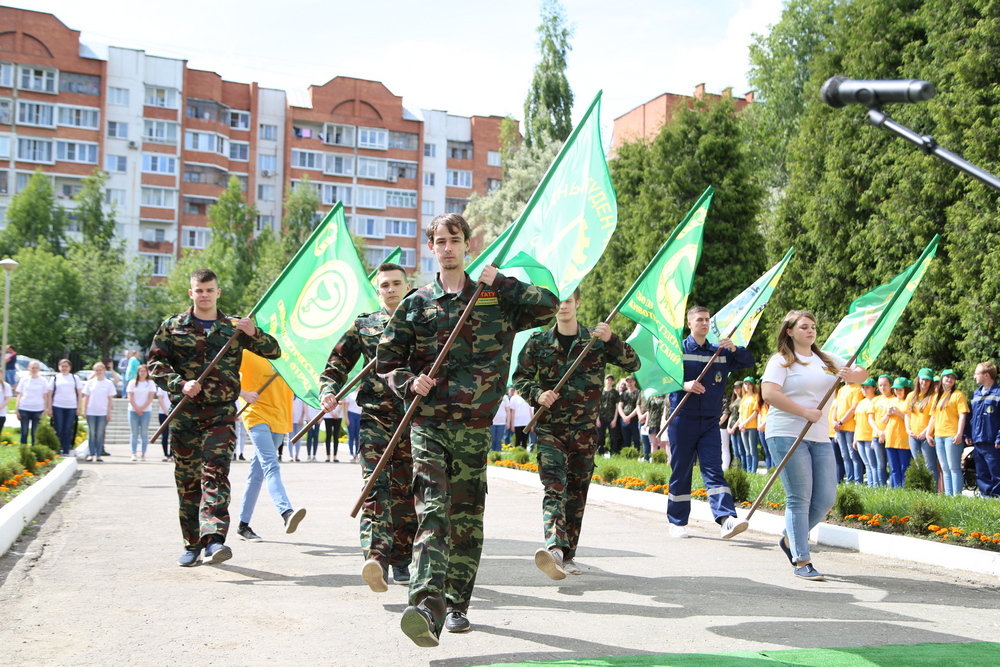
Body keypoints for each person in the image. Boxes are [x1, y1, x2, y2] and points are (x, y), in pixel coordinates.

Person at [377, 212, 557, 646]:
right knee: (433, 512)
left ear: (467, 245)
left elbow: (550, 306)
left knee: (466, 520)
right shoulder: (417, 303)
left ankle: (457, 603)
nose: (448, 247)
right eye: (439, 240)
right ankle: (425, 606)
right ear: (431, 247)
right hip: (429, 423)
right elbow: (387, 363)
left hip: (475, 428)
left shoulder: (494, 297)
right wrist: (409, 381)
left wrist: (504, 282)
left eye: (454, 239)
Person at [147, 268, 280, 568]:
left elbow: (275, 351)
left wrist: (253, 333)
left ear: (218, 293)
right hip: (184, 415)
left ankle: (216, 539)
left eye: (210, 290)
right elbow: (155, 363)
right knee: (188, 481)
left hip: (220, 413)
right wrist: (179, 384)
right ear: (191, 293)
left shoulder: (234, 327)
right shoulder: (172, 326)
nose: (204, 294)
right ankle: (192, 544)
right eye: (199, 290)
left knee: (216, 472)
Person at [513, 287, 639, 580]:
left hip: (584, 432)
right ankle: (555, 548)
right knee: (554, 486)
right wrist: (537, 393)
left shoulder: (595, 341)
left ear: (578, 303)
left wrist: (613, 339)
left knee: (577, 494)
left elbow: (633, 364)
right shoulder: (538, 341)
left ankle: (567, 556)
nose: (564, 306)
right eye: (559, 302)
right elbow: (519, 376)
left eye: (569, 300)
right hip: (550, 428)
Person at [321, 261, 416, 593]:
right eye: (383, 285)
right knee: (374, 488)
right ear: (378, 291)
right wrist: (328, 389)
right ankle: (376, 558)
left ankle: (402, 559)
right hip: (376, 418)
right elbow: (337, 362)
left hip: (415, 419)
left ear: (407, 285)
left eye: (395, 284)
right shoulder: (365, 325)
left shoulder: (423, 320)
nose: (389, 290)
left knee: (406, 494)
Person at [760, 310, 867, 581]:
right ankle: (802, 559)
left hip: (819, 435)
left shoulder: (825, 358)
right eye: (804, 327)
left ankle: (790, 538)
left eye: (813, 327)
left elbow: (862, 375)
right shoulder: (780, 361)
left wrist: (849, 373)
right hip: (786, 433)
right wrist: (804, 412)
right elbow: (769, 394)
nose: (811, 331)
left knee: (825, 499)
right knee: (799, 497)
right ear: (789, 331)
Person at [666, 306, 754, 540]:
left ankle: (726, 518)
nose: (704, 323)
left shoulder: (720, 352)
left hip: (709, 421)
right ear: (689, 324)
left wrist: (734, 347)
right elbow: (661, 375)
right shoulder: (678, 349)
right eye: (699, 320)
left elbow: (748, 361)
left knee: (714, 469)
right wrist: (683, 384)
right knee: (681, 470)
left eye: (707, 320)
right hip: (682, 418)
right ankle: (676, 522)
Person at [235, 350, 307, 543]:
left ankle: (243, 525)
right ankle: (286, 512)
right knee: (271, 464)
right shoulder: (247, 352)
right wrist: (242, 393)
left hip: (280, 416)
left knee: (256, 474)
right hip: (255, 413)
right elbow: (223, 373)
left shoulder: (288, 354)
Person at [927, 369, 969, 496]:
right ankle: (948, 496)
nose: (949, 379)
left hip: (952, 435)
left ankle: (957, 496)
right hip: (939, 436)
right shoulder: (937, 397)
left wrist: (959, 434)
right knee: (945, 468)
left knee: (954, 468)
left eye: (952, 377)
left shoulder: (958, 394)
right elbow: (933, 417)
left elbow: (962, 415)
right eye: (947, 377)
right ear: (941, 379)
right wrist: (929, 433)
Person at [967, 362, 1000, 497]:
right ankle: (986, 498)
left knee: (996, 472)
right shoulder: (976, 394)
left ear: (986, 375)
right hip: (978, 440)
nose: (975, 376)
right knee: (981, 473)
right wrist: (968, 434)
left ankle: (997, 498)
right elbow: (971, 417)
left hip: (993, 442)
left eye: (977, 373)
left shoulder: (998, 393)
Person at [880, 377, 913, 488]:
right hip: (891, 438)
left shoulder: (908, 401)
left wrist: (899, 413)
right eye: (896, 389)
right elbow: (883, 421)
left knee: (904, 467)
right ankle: (897, 489)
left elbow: (910, 419)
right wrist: (888, 413)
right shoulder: (891, 401)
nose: (897, 392)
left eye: (900, 389)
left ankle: (905, 488)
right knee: (894, 467)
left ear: (906, 389)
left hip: (903, 439)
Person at [906, 368, 937, 485]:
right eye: (923, 380)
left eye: (928, 380)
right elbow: (907, 415)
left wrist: (926, 432)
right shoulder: (911, 396)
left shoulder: (934, 397)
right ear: (918, 380)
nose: (925, 383)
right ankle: (922, 489)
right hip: (913, 435)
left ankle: (932, 490)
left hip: (927, 435)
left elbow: (933, 417)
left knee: (929, 465)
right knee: (919, 464)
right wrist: (908, 430)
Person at [832, 378, 865, 484]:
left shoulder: (857, 388)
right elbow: (836, 407)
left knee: (853, 455)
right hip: (839, 428)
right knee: (844, 455)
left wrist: (840, 422)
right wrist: (834, 421)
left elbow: (853, 408)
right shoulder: (842, 389)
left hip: (850, 427)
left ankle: (857, 480)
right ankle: (849, 479)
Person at [81, 362, 116, 462]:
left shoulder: (108, 383)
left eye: (100, 370)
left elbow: (110, 400)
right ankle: (90, 454)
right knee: (92, 433)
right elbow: (86, 397)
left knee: (100, 434)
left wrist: (109, 413)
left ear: (104, 371)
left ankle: (98, 454)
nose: (98, 372)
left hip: (103, 412)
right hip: (91, 411)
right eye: (96, 370)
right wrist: (84, 410)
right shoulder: (90, 383)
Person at [48, 359, 82, 456]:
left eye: (66, 366)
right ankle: (58, 449)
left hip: (71, 406)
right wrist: (49, 408)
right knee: (58, 428)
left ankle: (66, 450)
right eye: (62, 366)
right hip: (58, 406)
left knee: (68, 429)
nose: (64, 368)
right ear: (59, 367)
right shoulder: (55, 378)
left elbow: (79, 394)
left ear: (70, 367)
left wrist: (78, 407)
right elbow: (50, 394)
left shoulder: (75, 378)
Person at [126, 364, 156, 461]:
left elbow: (150, 398)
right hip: (133, 410)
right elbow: (130, 397)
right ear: (138, 372)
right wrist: (136, 408)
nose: (142, 373)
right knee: (134, 433)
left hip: (146, 411)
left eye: (144, 371)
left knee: (144, 433)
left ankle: (143, 453)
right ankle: (133, 453)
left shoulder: (150, 383)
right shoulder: (132, 382)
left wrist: (142, 408)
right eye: (141, 371)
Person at [15, 360, 49, 445]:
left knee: (35, 433)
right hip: (24, 408)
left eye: (36, 368)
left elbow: (45, 396)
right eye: (32, 368)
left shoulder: (43, 381)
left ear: (39, 369)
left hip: (38, 409)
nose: (34, 369)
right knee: (24, 432)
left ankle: (34, 450)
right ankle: (23, 450)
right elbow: (19, 395)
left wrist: (45, 410)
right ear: (29, 369)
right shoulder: (24, 380)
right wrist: (17, 410)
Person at [853, 378, 879, 487]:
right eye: (863, 387)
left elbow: (876, 420)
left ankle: (875, 485)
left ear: (874, 388)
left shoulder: (876, 401)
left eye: (867, 387)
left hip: (869, 436)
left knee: (873, 464)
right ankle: (870, 485)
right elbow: (856, 421)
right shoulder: (861, 402)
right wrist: (855, 438)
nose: (864, 390)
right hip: (860, 436)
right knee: (867, 464)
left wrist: (874, 438)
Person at [737, 377, 760, 473]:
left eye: (749, 384)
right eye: (745, 384)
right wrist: (741, 424)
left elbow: (755, 413)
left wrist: (744, 423)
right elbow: (741, 413)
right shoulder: (744, 398)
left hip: (752, 426)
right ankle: (748, 470)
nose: (747, 386)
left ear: (753, 385)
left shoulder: (756, 396)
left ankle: (753, 471)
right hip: (743, 427)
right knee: (747, 451)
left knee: (753, 450)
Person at [616, 376, 642, 452]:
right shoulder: (624, 394)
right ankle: (627, 454)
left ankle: (637, 454)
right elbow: (620, 406)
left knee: (636, 439)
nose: (629, 383)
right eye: (628, 382)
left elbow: (638, 407)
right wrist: (624, 417)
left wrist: (629, 417)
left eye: (631, 382)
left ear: (634, 382)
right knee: (626, 440)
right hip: (624, 420)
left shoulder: (638, 393)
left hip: (634, 419)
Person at [597, 374, 620, 456]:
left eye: (611, 380)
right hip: (602, 417)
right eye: (608, 380)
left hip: (611, 418)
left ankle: (613, 452)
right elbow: (597, 406)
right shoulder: (601, 392)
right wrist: (597, 419)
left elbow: (617, 406)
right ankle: (600, 452)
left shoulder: (615, 393)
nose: (609, 381)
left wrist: (615, 419)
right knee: (600, 437)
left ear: (613, 382)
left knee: (613, 437)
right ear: (605, 380)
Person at [725, 383, 744, 469]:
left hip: (739, 426)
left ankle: (743, 467)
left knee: (741, 449)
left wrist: (734, 427)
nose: (736, 390)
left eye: (738, 388)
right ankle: (737, 466)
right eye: (735, 388)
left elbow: (741, 416)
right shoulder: (734, 400)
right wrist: (728, 426)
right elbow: (732, 414)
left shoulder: (743, 400)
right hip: (732, 426)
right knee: (735, 449)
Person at [343, 389, 362, 462]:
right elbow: (346, 407)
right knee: (351, 436)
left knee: (358, 436)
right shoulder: (350, 393)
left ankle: (357, 454)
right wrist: (346, 418)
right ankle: (351, 454)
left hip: (359, 415)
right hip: (351, 414)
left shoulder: (362, 393)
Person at [156, 386, 172, 462]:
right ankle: (165, 454)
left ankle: (172, 454)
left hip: (174, 413)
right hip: (163, 413)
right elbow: (160, 399)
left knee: (173, 434)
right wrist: (166, 411)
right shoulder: (161, 386)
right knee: (164, 434)